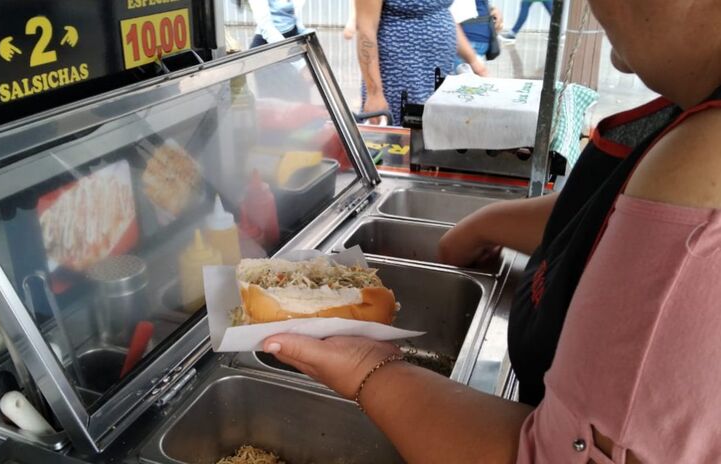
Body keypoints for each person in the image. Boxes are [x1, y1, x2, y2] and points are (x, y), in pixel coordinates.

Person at [263, 0, 721, 461]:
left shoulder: (704, 162)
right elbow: (603, 215)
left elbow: (556, 455)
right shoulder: (691, 121)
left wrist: (367, 369)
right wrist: (486, 225)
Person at [355, 0, 487, 125]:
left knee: (432, 137)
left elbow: (440, 12)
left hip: (437, 77)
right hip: (400, 80)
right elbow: (366, 31)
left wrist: (474, 61)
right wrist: (374, 93)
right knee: (401, 141)